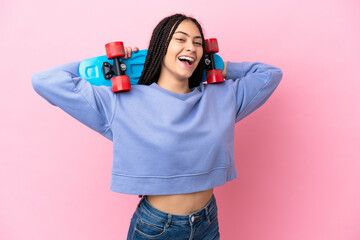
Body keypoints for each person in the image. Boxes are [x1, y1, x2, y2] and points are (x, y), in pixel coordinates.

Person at [32, 13, 283, 240]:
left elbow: (270, 75)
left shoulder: (222, 97)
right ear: (160, 47)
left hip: (208, 221)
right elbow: (45, 81)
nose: (191, 47)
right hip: (157, 228)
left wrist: (219, 66)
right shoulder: (122, 103)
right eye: (181, 39)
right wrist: (101, 64)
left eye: (198, 43)